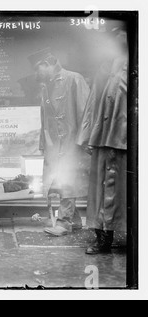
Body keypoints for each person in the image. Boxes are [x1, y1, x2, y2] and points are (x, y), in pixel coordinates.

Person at [27, 48, 91, 236]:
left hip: (73, 142)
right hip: (55, 144)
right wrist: (42, 144)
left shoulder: (74, 79)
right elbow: (44, 119)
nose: (36, 73)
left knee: (67, 181)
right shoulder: (46, 86)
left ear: (48, 64)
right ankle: (76, 220)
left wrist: (84, 141)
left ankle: (64, 222)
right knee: (60, 181)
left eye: (38, 69)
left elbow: (86, 113)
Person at [77, 27, 128, 254]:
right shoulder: (104, 67)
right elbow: (92, 103)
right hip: (103, 136)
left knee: (127, 191)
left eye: (121, 33)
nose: (117, 38)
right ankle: (102, 239)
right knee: (100, 192)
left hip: (128, 139)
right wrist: (89, 136)